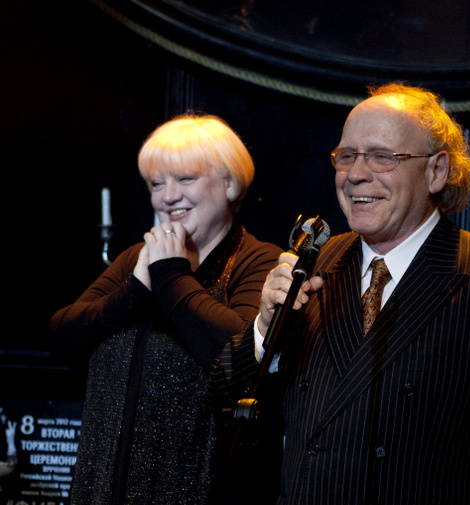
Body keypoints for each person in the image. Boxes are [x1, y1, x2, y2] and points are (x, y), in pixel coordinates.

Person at [210, 83, 470, 504]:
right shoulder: (313, 264)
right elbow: (225, 402)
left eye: (382, 157)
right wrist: (265, 328)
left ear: (437, 171)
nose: (356, 173)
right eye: (347, 156)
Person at [49, 113, 281, 505]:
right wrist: (135, 292)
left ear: (229, 183)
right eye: (157, 184)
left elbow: (237, 360)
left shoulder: (259, 262)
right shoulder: (136, 258)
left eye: (185, 179)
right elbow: (62, 339)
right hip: (105, 488)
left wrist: (171, 276)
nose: (168, 196)